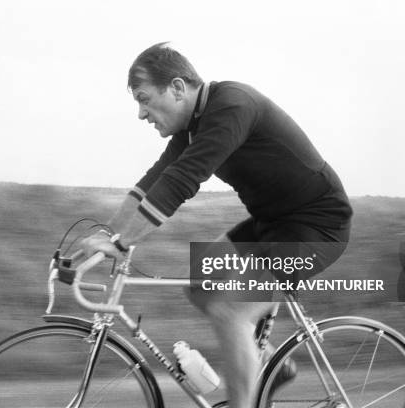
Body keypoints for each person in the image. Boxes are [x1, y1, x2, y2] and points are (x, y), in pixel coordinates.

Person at [81, 42, 352, 408]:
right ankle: (272, 364)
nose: (141, 114)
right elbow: (153, 181)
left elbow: (182, 181)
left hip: (318, 225)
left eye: (144, 99)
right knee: (200, 284)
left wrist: (123, 243)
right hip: (272, 222)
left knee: (232, 310)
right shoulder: (194, 126)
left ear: (177, 88)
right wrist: (108, 234)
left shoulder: (232, 106)